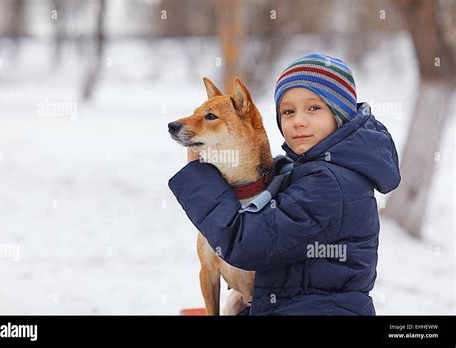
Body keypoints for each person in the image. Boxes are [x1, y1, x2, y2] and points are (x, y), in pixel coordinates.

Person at [168, 53, 401, 315]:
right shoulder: (310, 173)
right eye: (288, 111)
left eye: (314, 108)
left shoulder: (331, 185)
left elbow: (249, 244)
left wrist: (197, 179)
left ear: (341, 114)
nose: (298, 120)